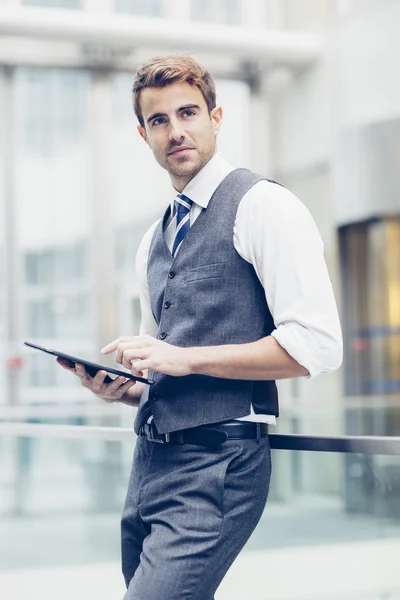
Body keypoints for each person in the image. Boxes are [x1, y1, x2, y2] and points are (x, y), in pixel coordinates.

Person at [58, 54, 343, 600]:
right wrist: (123, 389)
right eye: (159, 121)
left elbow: (316, 347)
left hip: (221, 463)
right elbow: (160, 369)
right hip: (150, 463)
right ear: (143, 136)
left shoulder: (264, 207)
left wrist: (184, 358)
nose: (176, 131)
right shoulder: (153, 238)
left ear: (216, 116)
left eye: (188, 112)